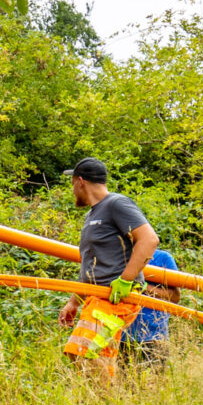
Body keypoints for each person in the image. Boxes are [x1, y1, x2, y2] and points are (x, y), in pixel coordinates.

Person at [57, 155, 160, 378]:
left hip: (114, 299)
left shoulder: (116, 204)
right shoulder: (93, 214)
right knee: (97, 356)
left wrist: (126, 280)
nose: (73, 190)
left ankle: (105, 397)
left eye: (72, 184)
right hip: (98, 298)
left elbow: (149, 239)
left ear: (80, 181)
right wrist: (74, 302)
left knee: (82, 351)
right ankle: (108, 398)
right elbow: (92, 268)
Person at [124, 242, 182, 366]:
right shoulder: (115, 257)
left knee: (155, 378)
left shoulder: (163, 258)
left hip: (154, 338)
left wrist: (142, 286)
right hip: (119, 337)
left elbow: (175, 297)